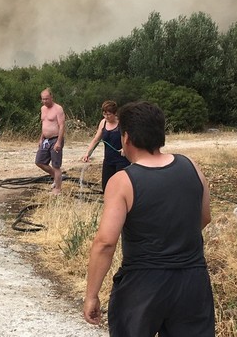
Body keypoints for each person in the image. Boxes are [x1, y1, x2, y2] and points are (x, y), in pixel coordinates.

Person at [83, 101, 214, 336]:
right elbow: (204, 217)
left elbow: (105, 243)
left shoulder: (122, 181)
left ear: (126, 138)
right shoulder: (191, 166)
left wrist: (91, 295)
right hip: (192, 281)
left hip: (142, 284)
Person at [80, 100, 131, 191]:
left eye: (109, 114)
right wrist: (87, 153)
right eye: (104, 114)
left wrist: (125, 148)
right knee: (106, 187)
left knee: (121, 187)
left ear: (115, 113)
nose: (106, 116)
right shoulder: (103, 123)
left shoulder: (122, 124)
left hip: (122, 160)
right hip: (108, 160)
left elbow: (130, 139)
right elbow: (96, 139)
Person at [35, 88, 66, 195]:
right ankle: (56, 177)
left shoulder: (58, 109)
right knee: (39, 161)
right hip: (46, 139)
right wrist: (41, 138)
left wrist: (59, 142)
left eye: (47, 99)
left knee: (56, 165)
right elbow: (44, 124)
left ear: (51, 97)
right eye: (43, 99)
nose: (45, 101)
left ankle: (58, 189)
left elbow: (62, 126)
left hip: (55, 138)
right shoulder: (43, 109)